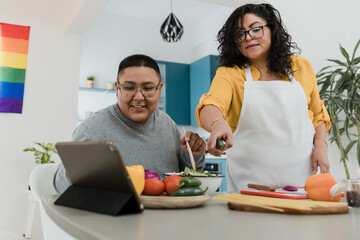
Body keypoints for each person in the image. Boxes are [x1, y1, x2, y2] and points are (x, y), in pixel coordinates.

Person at [196, 3, 331, 192]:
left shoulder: (301, 67)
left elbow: (318, 114)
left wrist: (321, 147)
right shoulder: (230, 74)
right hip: (250, 186)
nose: (248, 37)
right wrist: (218, 123)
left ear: (272, 29)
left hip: (304, 182)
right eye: (240, 33)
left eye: (255, 29)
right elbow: (210, 104)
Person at [54, 54, 206, 194]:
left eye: (147, 88)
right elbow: (59, 185)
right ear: (117, 89)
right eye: (129, 88)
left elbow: (188, 180)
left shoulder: (169, 125)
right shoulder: (91, 129)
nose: (139, 97)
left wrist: (193, 154)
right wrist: (78, 171)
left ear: (159, 90)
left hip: (168, 217)